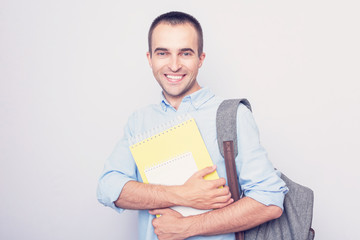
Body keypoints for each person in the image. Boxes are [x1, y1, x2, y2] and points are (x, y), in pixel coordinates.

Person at [97, 11, 288, 240]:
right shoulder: (139, 121)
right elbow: (108, 188)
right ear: (150, 59)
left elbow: (270, 200)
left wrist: (188, 226)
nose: (174, 65)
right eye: (163, 53)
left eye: (185, 53)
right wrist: (182, 195)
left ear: (200, 59)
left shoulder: (232, 115)